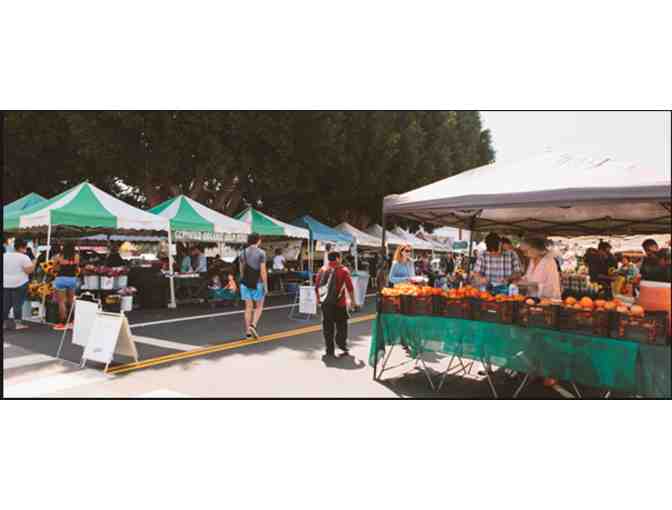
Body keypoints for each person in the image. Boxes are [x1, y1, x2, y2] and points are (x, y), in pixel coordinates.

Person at [519, 237, 562, 387]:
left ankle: (551, 373)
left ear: (536, 249)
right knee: (533, 339)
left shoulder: (549, 262)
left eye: (526, 250)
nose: (524, 253)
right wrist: (522, 281)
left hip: (548, 305)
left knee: (548, 341)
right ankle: (535, 369)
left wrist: (532, 285)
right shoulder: (532, 261)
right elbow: (528, 278)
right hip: (534, 305)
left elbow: (551, 287)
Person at [315, 251, 354, 358]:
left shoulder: (322, 270)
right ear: (337, 258)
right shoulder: (343, 270)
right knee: (342, 326)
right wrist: (353, 302)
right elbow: (350, 287)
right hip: (339, 304)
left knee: (327, 327)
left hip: (326, 303)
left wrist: (318, 300)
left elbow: (317, 286)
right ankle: (341, 345)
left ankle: (329, 350)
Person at [239, 233, 268, 339]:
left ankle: (248, 332)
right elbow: (263, 271)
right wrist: (266, 285)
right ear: (258, 240)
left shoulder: (242, 253)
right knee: (259, 306)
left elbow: (241, 271)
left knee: (248, 307)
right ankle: (253, 325)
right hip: (258, 283)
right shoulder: (261, 253)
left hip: (245, 283)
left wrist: (243, 281)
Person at [3, 238, 36, 331]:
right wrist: (34, 262)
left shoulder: (5, 255)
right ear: (22, 247)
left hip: (5, 283)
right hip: (20, 283)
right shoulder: (24, 257)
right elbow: (29, 271)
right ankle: (17, 324)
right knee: (17, 304)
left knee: (5, 304)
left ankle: (4, 323)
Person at [52, 242, 80, 331]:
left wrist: (59, 267)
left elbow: (54, 268)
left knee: (62, 302)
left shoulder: (58, 256)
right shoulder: (76, 256)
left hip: (61, 279)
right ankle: (72, 321)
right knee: (71, 301)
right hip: (72, 279)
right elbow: (77, 268)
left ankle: (63, 323)